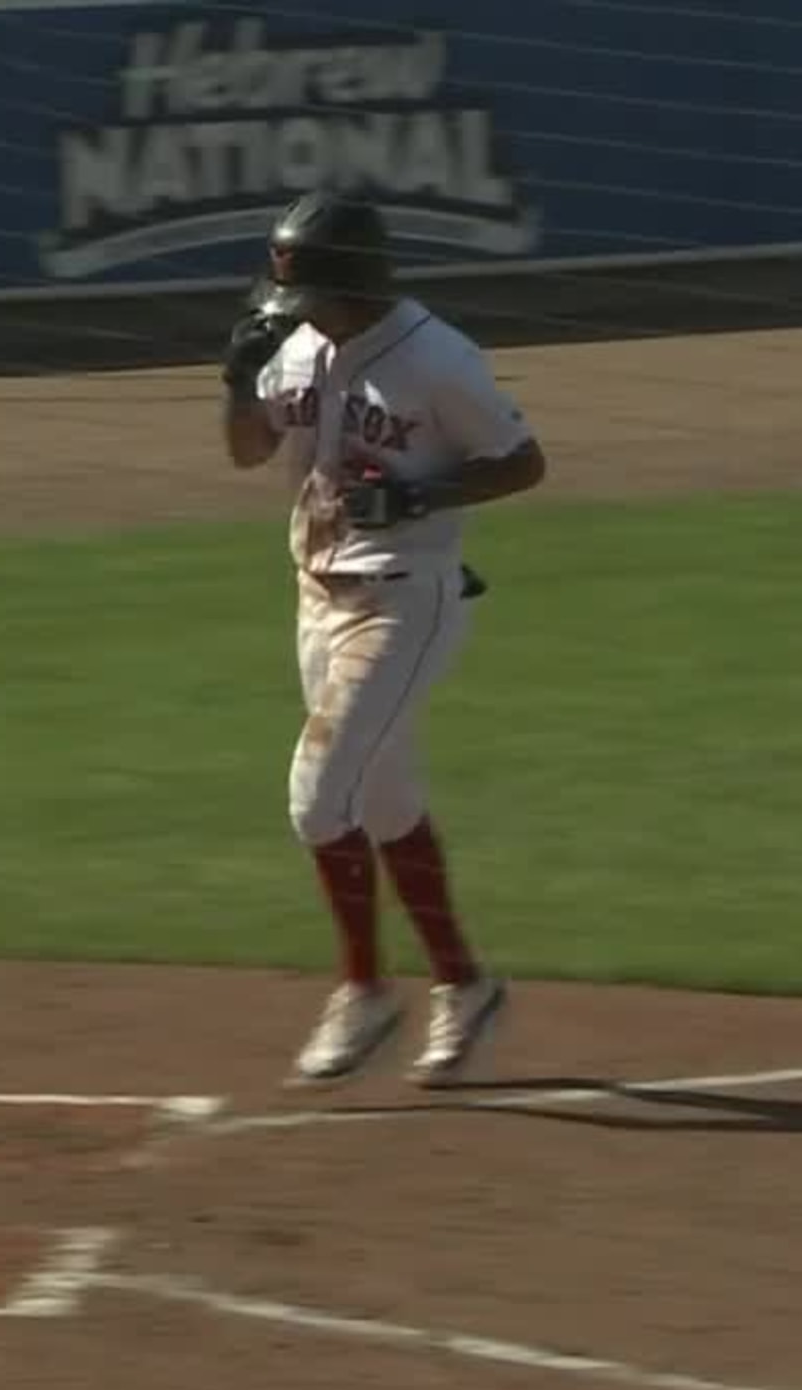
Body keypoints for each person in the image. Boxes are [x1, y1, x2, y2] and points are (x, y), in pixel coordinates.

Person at [217, 190, 547, 1089]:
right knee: (388, 800)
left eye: (308, 292)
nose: (292, 313)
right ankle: (466, 986)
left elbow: (525, 462)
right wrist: (237, 384)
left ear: (351, 284)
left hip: (408, 600)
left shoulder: (438, 361)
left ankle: (362, 989)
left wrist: (419, 496)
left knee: (318, 798)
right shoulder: (303, 345)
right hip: (317, 595)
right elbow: (249, 452)